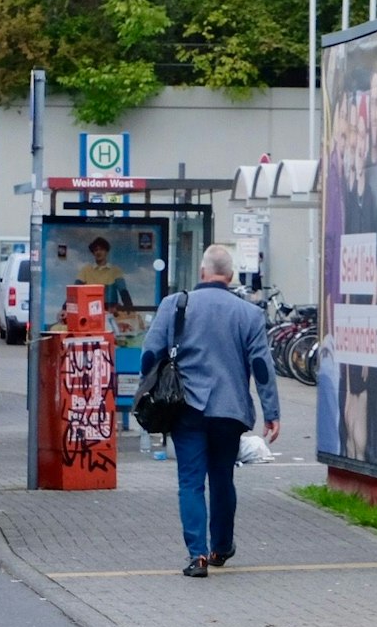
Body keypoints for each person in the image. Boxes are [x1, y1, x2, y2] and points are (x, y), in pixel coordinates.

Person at [138, 243, 281, 578]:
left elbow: (150, 353)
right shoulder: (249, 314)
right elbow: (262, 366)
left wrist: (145, 391)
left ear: (202, 272)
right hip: (229, 411)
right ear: (230, 276)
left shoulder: (175, 305)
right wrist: (272, 411)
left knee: (190, 481)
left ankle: (197, 556)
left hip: (186, 407)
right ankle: (221, 547)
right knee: (222, 478)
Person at [73, 235, 134, 308]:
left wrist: (129, 307)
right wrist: (64, 308)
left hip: (110, 311)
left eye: (101, 249)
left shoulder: (115, 270)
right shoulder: (85, 270)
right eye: (96, 250)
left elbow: (123, 291)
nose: (98, 252)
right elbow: (74, 291)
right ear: (93, 253)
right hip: (90, 310)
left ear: (106, 252)